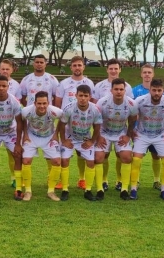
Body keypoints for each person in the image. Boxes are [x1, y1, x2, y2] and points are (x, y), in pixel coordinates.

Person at [131, 79, 164, 200]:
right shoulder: (140, 100)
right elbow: (132, 115)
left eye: (159, 90)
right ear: (150, 90)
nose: (156, 93)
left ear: (163, 90)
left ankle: (163, 190)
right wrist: (132, 131)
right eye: (154, 90)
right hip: (142, 134)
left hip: (160, 135)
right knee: (136, 160)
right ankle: (133, 189)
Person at [54, 56, 96, 190]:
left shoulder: (89, 83)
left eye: (80, 65)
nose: (77, 68)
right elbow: (58, 103)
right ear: (71, 67)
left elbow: (93, 103)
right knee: (64, 151)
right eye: (75, 65)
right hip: (67, 124)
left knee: (81, 151)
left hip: (83, 124)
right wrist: (61, 121)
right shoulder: (64, 83)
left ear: (83, 67)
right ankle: (62, 180)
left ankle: (82, 179)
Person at [91, 58, 133, 190]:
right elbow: (95, 112)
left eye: (116, 68)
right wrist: (98, 134)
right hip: (104, 129)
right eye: (111, 68)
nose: (113, 71)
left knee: (122, 155)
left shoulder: (128, 87)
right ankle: (104, 180)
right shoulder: (99, 86)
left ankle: (120, 181)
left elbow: (130, 110)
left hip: (120, 128)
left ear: (120, 69)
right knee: (104, 155)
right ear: (107, 69)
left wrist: (128, 134)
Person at [57, 85, 103, 201]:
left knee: (91, 162)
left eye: (85, 96)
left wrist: (92, 141)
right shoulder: (69, 108)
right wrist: (64, 140)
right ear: (76, 96)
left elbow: (97, 127)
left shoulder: (95, 109)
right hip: (70, 137)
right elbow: (61, 125)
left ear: (90, 97)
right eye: (80, 95)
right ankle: (65, 189)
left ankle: (88, 190)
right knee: (65, 160)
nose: (83, 98)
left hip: (85, 139)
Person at [95, 78, 138, 200]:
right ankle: (100, 187)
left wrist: (128, 135)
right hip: (104, 133)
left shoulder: (131, 103)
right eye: (116, 89)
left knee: (126, 157)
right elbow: (96, 121)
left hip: (121, 133)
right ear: (111, 90)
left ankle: (124, 188)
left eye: (121, 89)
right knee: (99, 158)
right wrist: (98, 136)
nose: (119, 92)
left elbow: (133, 120)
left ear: (125, 90)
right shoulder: (102, 102)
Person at [20, 91, 63, 201]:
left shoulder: (55, 111)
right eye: (39, 103)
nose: (42, 106)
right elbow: (22, 121)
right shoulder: (26, 111)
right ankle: (28, 191)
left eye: (44, 103)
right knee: (26, 161)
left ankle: (51, 191)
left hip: (49, 137)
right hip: (32, 136)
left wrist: (56, 134)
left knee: (57, 161)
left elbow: (63, 120)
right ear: (35, 103)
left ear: (48, 103)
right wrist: (25, 134)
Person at [127, 63, 161, 190]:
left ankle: (156, 181)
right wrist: (131, 129)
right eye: (145, 72)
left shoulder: (159, 90)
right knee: (137, 155)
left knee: (156, 155)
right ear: (141, 74)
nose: (147, 74)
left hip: (155, 130)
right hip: (138, 130)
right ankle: (137, 180)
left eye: (149, 72)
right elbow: (130, 111)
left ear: (153, 74)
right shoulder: (135, 91)